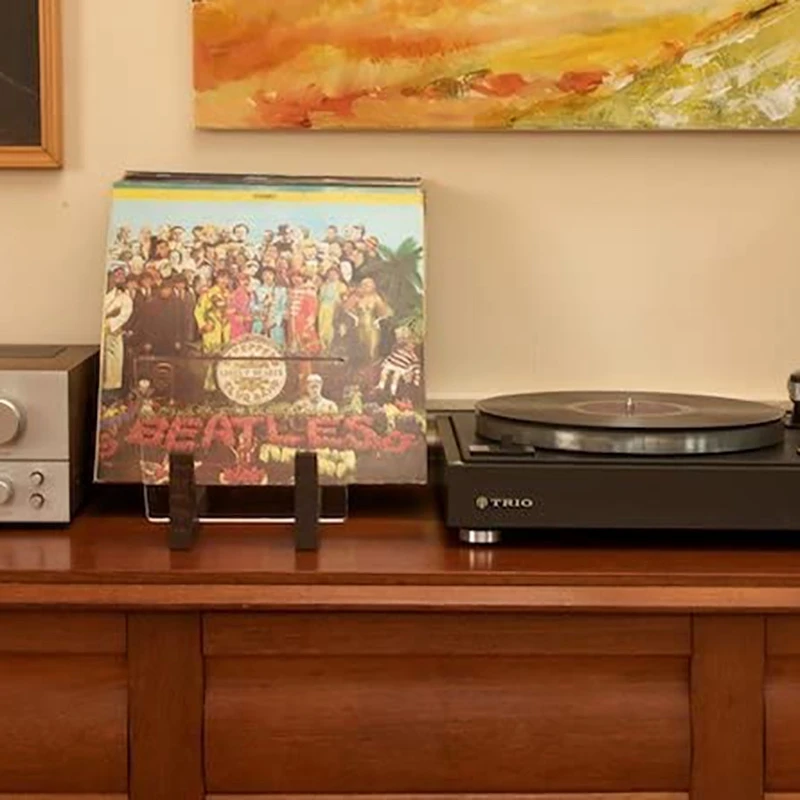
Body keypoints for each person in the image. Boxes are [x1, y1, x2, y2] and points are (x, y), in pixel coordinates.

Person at [102, 268, 134, 392]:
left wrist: (109, 324)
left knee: (112, 366)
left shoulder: (123, 298)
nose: (110, 280)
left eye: (114, 278)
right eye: (110, 277)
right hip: (99, 337)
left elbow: (124, 315)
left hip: (112, 334)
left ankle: (112, 391)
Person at [354, 277, 392, 362]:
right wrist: (355, 318)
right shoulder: (358, 298)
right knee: (362, 347)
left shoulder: (376, 298)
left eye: (368, 285)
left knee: (372, 348)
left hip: (372, 327)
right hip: (360, 326)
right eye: (364, 285)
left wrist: (378, 320)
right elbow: (347, 309)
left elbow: (385, 313)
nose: (365, 287)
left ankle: (372, 365)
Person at [318, 266, 348, 351]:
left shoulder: (341, 286)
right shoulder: (324, 286)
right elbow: (320, 297)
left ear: (338, 275)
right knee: (322, 326)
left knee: (330, 327)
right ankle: (322, 345)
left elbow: (343, 299)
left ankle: (330, 345)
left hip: (333, 308)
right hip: (323, 308)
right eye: (330, 274)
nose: (332, 276)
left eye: (334, 274)